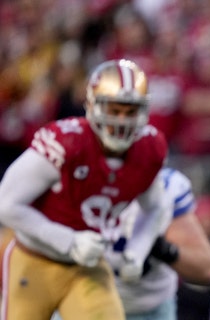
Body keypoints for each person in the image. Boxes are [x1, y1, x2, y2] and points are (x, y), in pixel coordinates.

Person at [0, 59, 168, 320]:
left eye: (131, 111)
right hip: (34, 258)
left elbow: (156, 206)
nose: (122, 120)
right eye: (114, 109)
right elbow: (5, 204)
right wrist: (68, 240)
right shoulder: (67, 142)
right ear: (92, 105)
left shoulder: (149, 149)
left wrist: (138, 249)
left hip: (88, 264)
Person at [106, 167, 210, 320]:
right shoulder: (79, 179)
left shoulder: (166, 187)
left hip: (151, 309)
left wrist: (161, 247)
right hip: (86, 302)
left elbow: (205, 270)